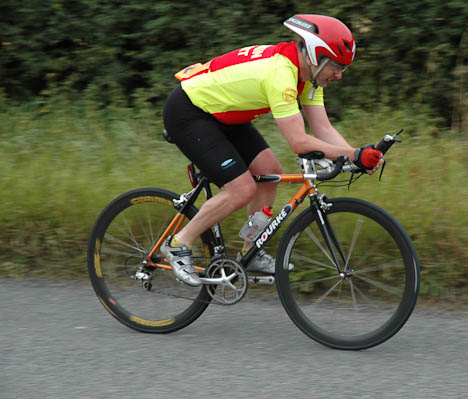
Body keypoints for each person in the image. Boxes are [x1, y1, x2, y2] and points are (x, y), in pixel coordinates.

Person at [161, 14, 384, 286]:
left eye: (343, 69)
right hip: (190, 111)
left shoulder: (308, 77)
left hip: (226, 114)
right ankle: (178, 243)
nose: (338, 75)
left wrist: (355, 155)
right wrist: (352, 154)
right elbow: (299, 143)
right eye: (336, 66)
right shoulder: (281, 74)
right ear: (316, 55)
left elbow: (323, 129)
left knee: (270, 172)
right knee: (241, 189)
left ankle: (250, 251)